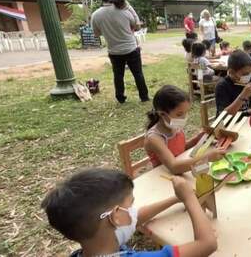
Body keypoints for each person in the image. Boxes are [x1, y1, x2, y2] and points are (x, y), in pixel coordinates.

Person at [41, 168, 218, 257]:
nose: (133, 210)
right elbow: (208, 244)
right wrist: (189, 198)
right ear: (116, 217)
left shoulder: (87, 248)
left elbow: (135, 217)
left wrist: (175, 198)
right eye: (130, 204)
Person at [144, 85, 225, 173]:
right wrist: (207, 157)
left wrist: (197, 139)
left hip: (180, 168)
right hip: (161, 176)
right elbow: (174, 167)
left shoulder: (174, 126)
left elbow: (180, 149)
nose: (184, 117)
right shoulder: (154, 138)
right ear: (162, 114)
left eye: (186, 112)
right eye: (179, 114)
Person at [92, 0, 149, 103]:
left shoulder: (95, 15)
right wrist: (129, 7)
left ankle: (120, 98)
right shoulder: (124, 11)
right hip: (131, 48)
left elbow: (97, 34)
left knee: (118, 75)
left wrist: (109, 31)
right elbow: (137, 26)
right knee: (138, 74)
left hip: (114, 51)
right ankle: (144, 97)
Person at [214, 50, 251, 116]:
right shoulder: (222, 86)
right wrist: (243, 96)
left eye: (250, 73)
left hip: (246, 122)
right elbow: (223, 115)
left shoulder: (249, 79)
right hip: (229, 124)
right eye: (245, 73)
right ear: (231, 72)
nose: (248, 76)